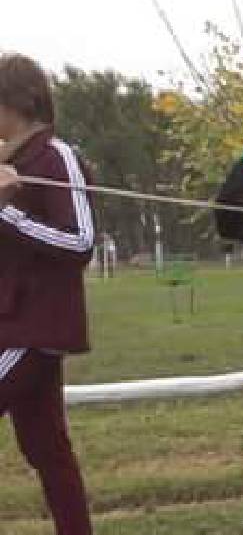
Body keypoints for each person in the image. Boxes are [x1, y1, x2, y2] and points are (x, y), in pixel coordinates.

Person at [0, 53, 96, 535]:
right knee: (47, 450)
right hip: (11, 325)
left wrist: (6, 212)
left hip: (33, 330)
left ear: (16, 102)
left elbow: (80, 242)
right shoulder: (7, 163)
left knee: (49, 450)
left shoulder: (56, 157)